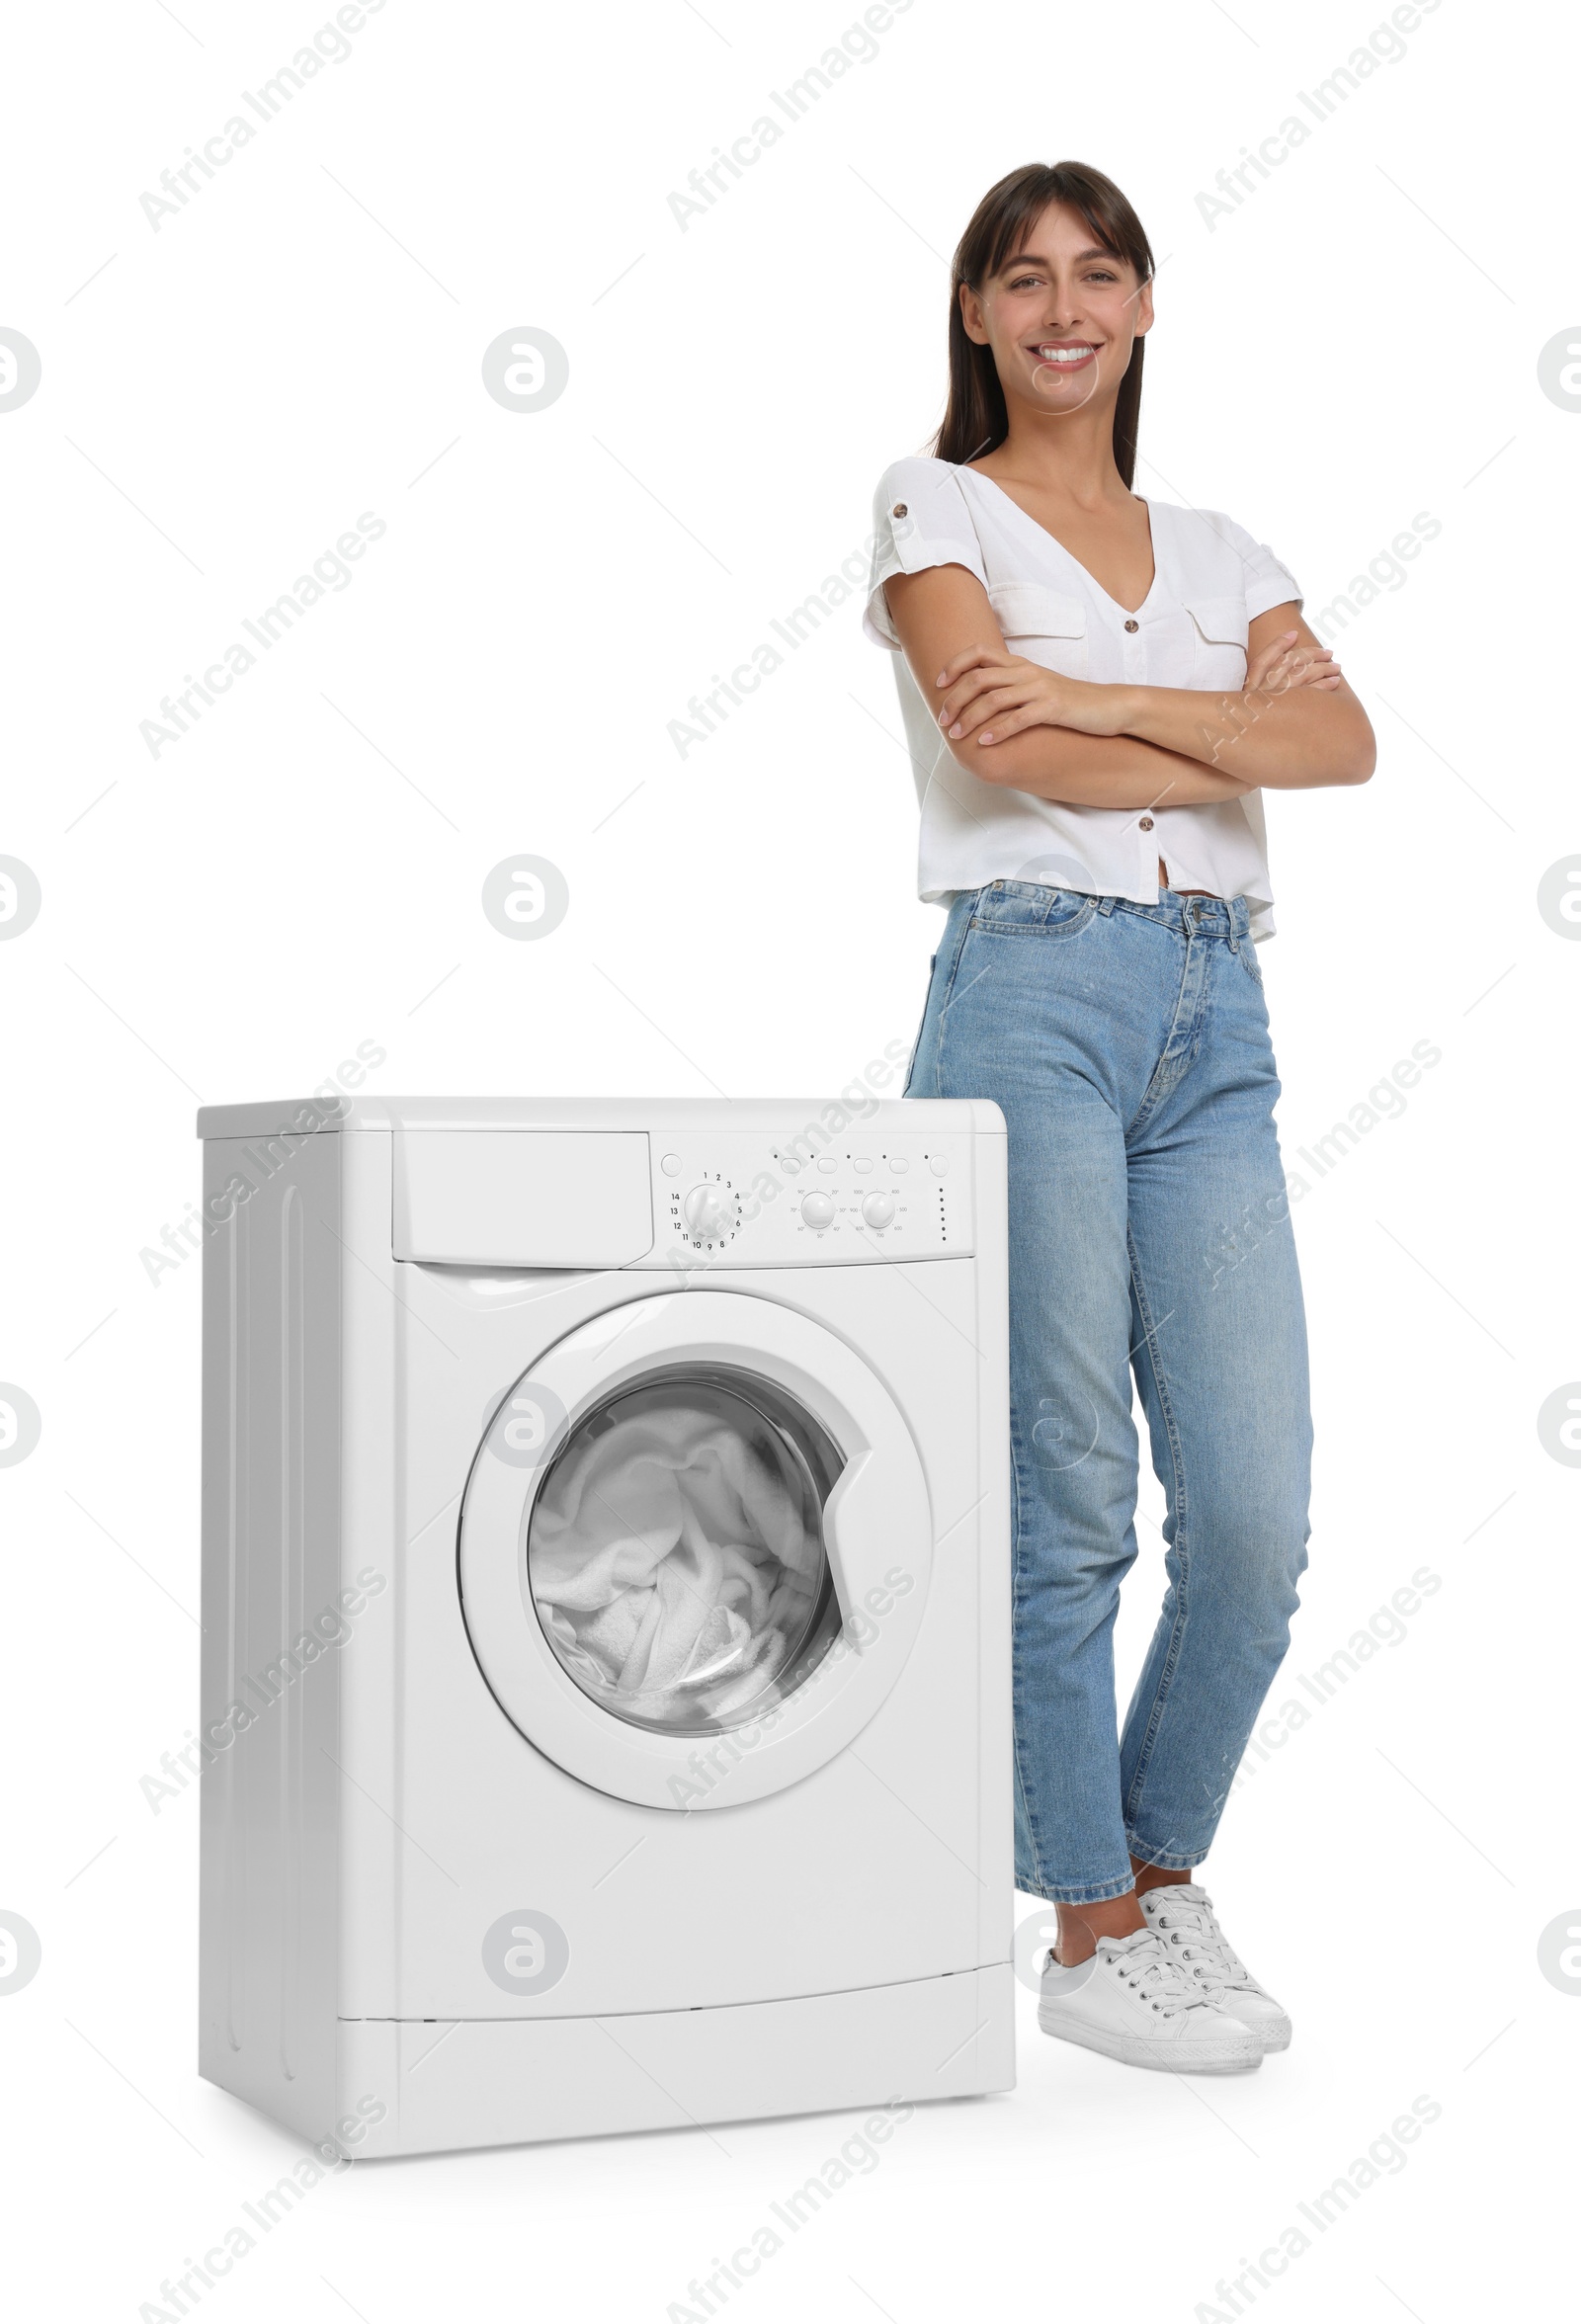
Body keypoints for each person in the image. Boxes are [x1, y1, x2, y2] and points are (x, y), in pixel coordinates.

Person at [865, 160, 1374, 2074]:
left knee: (1251, 1511)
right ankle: (1083, 1918)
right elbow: (983, 728)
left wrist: (1108, 703)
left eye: (1096, 274)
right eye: (1020, 279)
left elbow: (1341, 742)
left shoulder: (1225, 546)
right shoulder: (934, 504)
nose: (1061, 306)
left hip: (1211, 1013)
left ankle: (1154, 1877)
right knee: (1062, 1487)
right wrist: (1201, 712)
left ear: (1144, 306)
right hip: (1029, 994)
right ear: (977, 317)